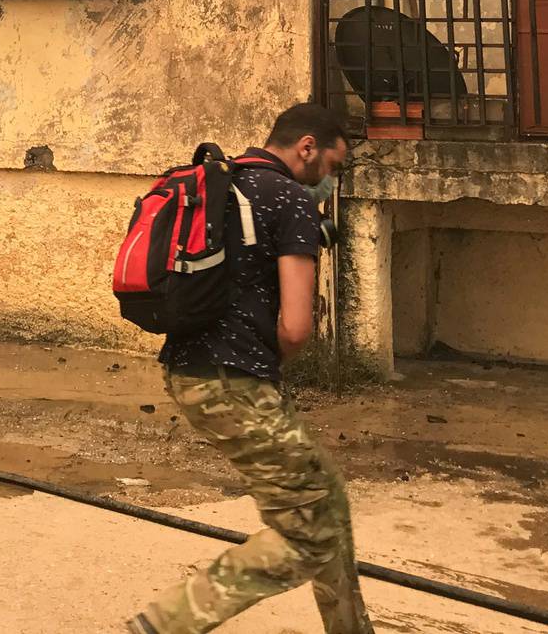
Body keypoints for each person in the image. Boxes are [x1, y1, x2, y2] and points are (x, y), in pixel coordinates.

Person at [128, 103, 373, 634]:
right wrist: (265, 368)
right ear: (307, 147)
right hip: (234, 382)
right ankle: (164, 623)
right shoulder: (289, 198)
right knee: (307, 530)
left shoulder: (226, 181)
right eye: (333, 166)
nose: (331, 180)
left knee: (323, 495)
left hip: (188, 371)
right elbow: (296, 327)